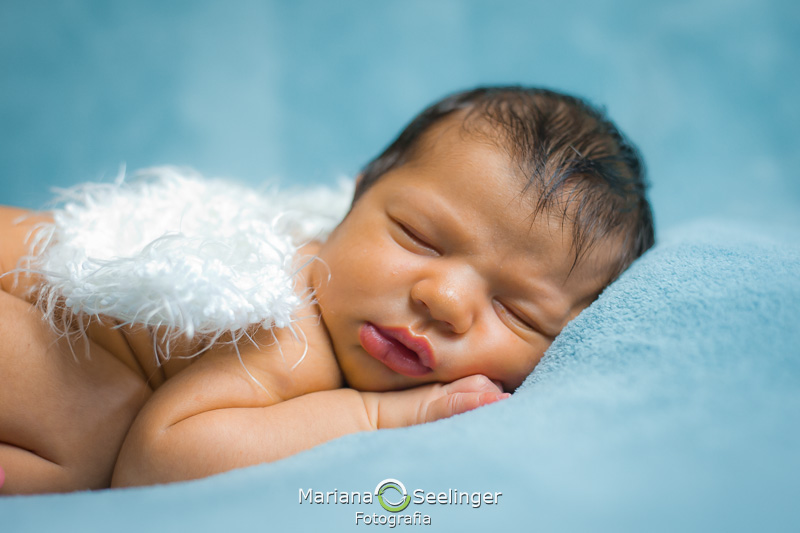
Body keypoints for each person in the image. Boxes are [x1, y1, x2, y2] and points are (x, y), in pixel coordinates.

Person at [0, 86, 653, 494]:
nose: (444, 300)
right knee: (99, 431)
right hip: (21, 305)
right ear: (358, 194)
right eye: (420, 237)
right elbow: (158, 459)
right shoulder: (293, 327)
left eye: (514, 309)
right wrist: (383, 415)